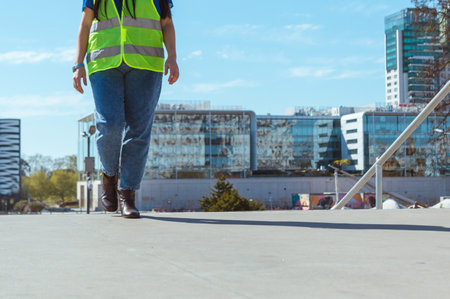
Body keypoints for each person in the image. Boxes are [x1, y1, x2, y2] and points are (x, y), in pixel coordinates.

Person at [73, 0, 179, 218]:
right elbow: (85, 24)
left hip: (146, 64)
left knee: (138, 130)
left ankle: (127, 194)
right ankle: (109, 176)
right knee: (109, 124)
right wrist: (77, 64)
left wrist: (173, 58)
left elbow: (167, 22)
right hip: (103, 63)